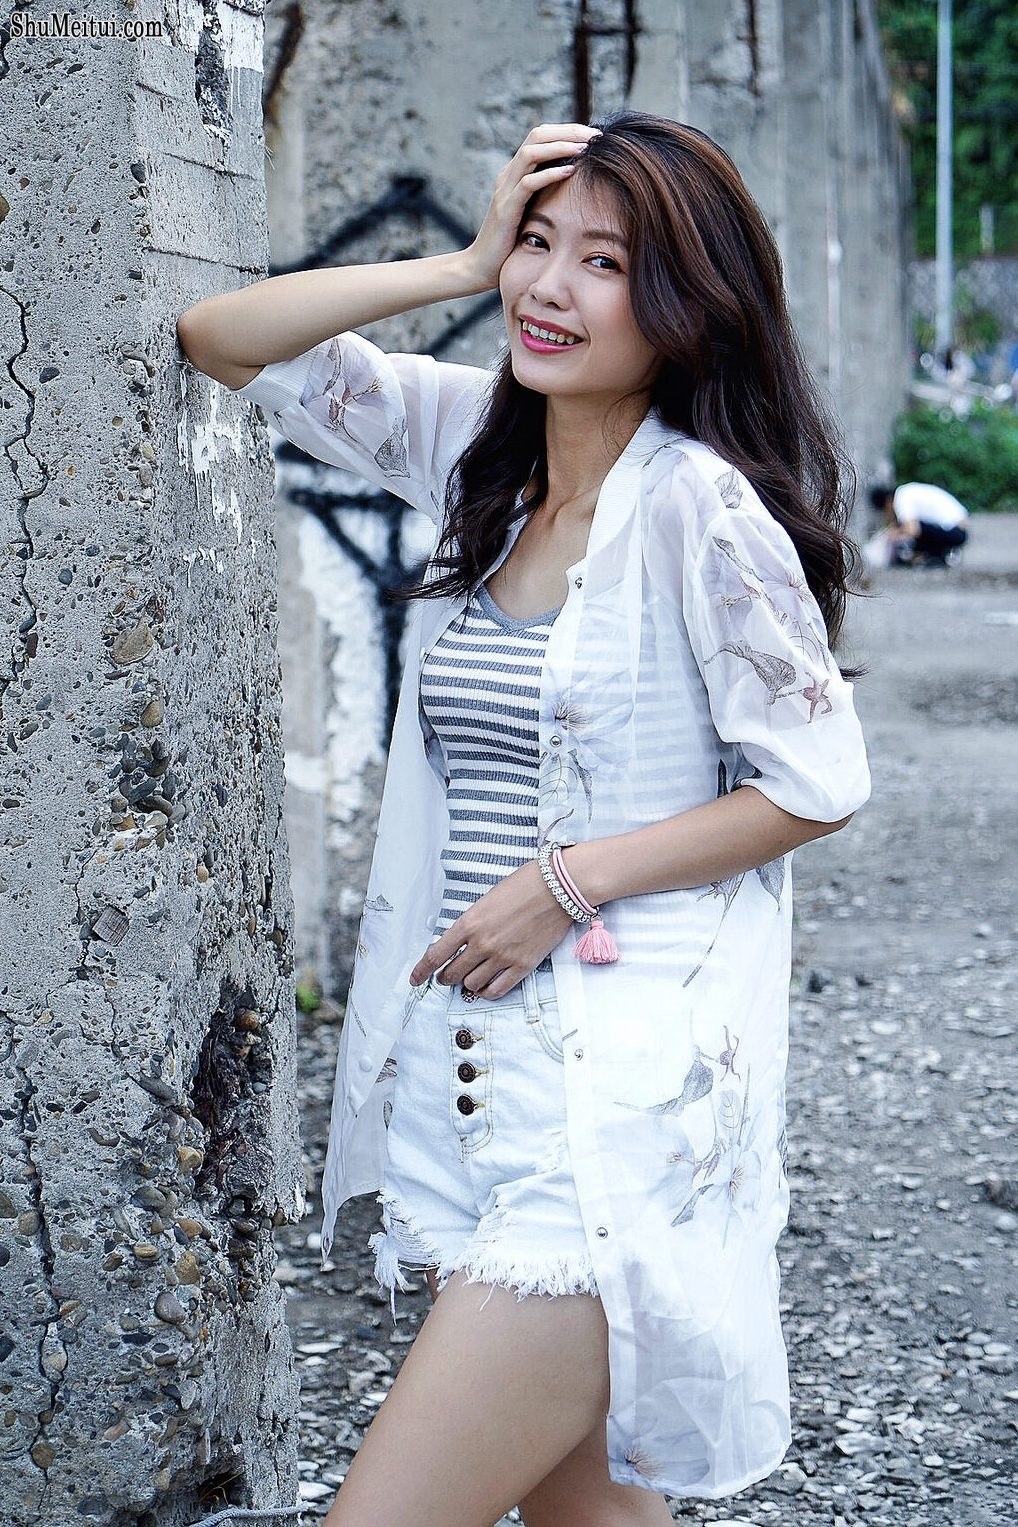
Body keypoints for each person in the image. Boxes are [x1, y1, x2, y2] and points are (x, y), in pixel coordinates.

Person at [177, 112, 871, 1525]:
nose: (549, 288)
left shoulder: (701, 513)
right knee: (587, 1514)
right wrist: (460, 259)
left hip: (610, 1112)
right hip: (470, 1081)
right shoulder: (472, 453)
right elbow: (218, 337)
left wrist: (565, 880)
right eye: (537, 245)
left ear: (686, 304)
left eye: (603, 262)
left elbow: (815, 778)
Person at [868, 481, 969, 567]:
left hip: (956, 531)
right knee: (912, 531)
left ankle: (934, 556)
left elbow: (912, 530)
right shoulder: (906, 491)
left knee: (913, 531)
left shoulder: (901, 497)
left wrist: (892, 535)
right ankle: (937, 556)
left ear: (888, 503)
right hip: (956, 528)